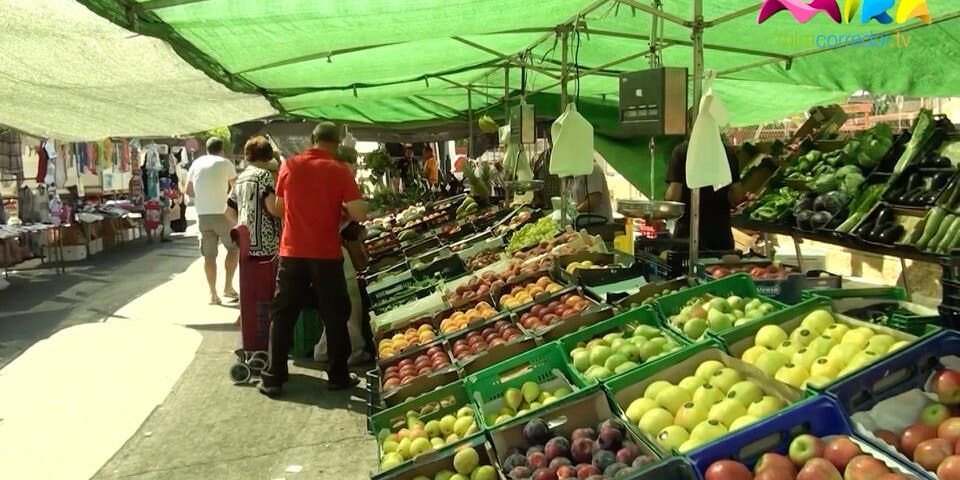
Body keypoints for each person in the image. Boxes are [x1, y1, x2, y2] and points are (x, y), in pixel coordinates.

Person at [260, 122, 367, 396]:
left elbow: (281, 208)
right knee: (334, 315)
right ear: (339, 142)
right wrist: (339, 209)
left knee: (283, 315)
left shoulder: (290, 166)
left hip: (292, 252)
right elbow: (359, 214)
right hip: (326, 254)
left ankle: (273, 377)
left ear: (312, 140)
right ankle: (338, 376)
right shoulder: (339, 170)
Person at [313, 144, 373, 366]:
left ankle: (323, 349)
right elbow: (356, 213)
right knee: (350, 299)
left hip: (316, 248)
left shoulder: (322, 180)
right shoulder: (338, 180)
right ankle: (354, 350)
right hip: (331, 247)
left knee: (334, 301)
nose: (356, 171)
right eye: (353, 166)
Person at [186, 137, 239, 305]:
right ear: (221, 149)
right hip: (223, 213)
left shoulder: (196, 163)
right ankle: (228, 287)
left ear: (206, 149)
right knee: (233, 248)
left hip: (203, 215)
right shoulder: (226, 163)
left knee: (209, 256)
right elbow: (236, 189)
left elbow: (188, 190)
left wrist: (204, 196)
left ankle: (213, 294)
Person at [665, 140, 744, 251]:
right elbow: (737, 196)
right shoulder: (727, 153)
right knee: (718, 267)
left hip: (688, 234)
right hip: (720, 234)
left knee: (687, 267)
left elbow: (674, 197)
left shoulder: (682, 151)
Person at [224, 136, 281, 257]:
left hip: (246, 244)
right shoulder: (264, 175)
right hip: (267, 245)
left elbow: (228, 211)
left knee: (250, 276)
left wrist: (245, 225)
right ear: (268, 156)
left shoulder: (241, 177)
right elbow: (273, 209)